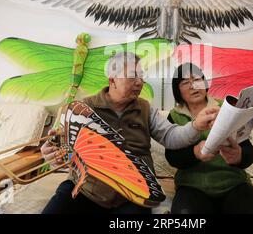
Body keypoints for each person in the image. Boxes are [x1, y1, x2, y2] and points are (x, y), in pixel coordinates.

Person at [41, 52, 220, 214]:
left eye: (141, 77)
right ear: (112, 80)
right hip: (87, 189)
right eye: (133, 76)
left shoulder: (145, 108)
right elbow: (62, 146)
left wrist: (196, 125)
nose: (140, 82)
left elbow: (170, 136)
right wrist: (51, 152)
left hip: (134, 193)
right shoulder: (85, 108)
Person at [165, 63, 253, 214]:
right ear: (178, 91)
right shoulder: (174, 116)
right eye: (185, 83)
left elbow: (249, 153)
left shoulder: (227, 107)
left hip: (233, 184)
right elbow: (172, 158)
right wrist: (195, 153)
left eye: (197, 79)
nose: (193, 86)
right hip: (192, 186)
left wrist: (239, 156)